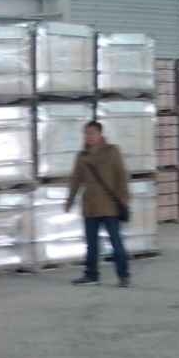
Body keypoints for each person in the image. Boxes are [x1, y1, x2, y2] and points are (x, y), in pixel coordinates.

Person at [65, 120, 132, 288]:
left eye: (92, 133)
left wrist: (124, 199)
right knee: (91, 245)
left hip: (110, 207)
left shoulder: (112, 151)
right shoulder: (82, 156)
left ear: (100, 134)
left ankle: (123, 276)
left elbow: (121, 176)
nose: (88, 136)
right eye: (86, 133)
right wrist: (69, 200)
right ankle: (91, 275)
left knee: (116, 243)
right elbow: (76, 180)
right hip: (90, 207)